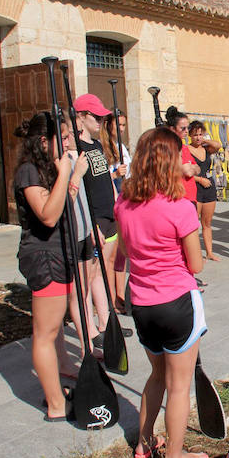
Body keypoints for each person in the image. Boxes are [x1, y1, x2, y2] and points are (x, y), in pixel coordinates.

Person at [114, 126, 209, 458]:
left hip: (141, 303)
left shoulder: (122, 203)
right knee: (179, 385)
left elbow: (125, 251)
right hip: (177, 301)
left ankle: (143, 442)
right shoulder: (180, 207)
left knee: (157, 374)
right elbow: (196, 264)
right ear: (171, 163)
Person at [13, 113, 88, 421]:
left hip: (60, 253)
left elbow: (63, 203)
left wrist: (73, 177)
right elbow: (48, 215)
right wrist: (66, 174)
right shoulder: (28, 171)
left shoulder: (46, 169)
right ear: (44, 141)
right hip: (45, 258)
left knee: (55, 328)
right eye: (65, 136)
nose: (69, 142)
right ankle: (56, 405)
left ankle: (56, 389)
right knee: (45, 333)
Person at [73, 93, 117, 349]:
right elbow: (80, 189)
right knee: (87, 275)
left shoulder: (97, 145)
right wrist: (91, 225)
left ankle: (106, 321)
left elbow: (106, 180)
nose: (101, 120)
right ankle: (89, 329)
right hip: (94, 218)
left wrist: (117, 201)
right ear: (81, 116)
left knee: (100, 271)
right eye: (96, 116)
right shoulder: (77, 150)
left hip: (108, 214)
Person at [101, 112, 131, 312]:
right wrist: (113, 174)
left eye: (123, 126)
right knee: (110, 256)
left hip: (125, 199)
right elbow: (98, 181)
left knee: (122, 254)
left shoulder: (121, 147)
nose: (121, 129)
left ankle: (120, 295)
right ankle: (110, 297)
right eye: (118, 125)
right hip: (110, 202)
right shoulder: (102, 148)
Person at [187, 120, 222, 261]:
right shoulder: (186, 150)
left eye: (200, 134)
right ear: (189, 135)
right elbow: (183, 172)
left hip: (209, 188)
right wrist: (199, 180)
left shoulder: (206, 149)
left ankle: (209, 252)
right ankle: (193, 254)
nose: (198, 137)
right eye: (195, 135)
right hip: (195, 187)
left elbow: (218, 145)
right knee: (193, 223)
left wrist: (206, 140)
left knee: (207, 223)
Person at [165, 106, 200, 204]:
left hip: (191, 196)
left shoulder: (184, 147)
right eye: (182, 128)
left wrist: (192, 168)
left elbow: (198, 168)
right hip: (180, 197)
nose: (186, 131)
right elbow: (188, 172)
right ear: (172, 129)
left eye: (187, 128)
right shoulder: (173, 147)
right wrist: (191, 168)